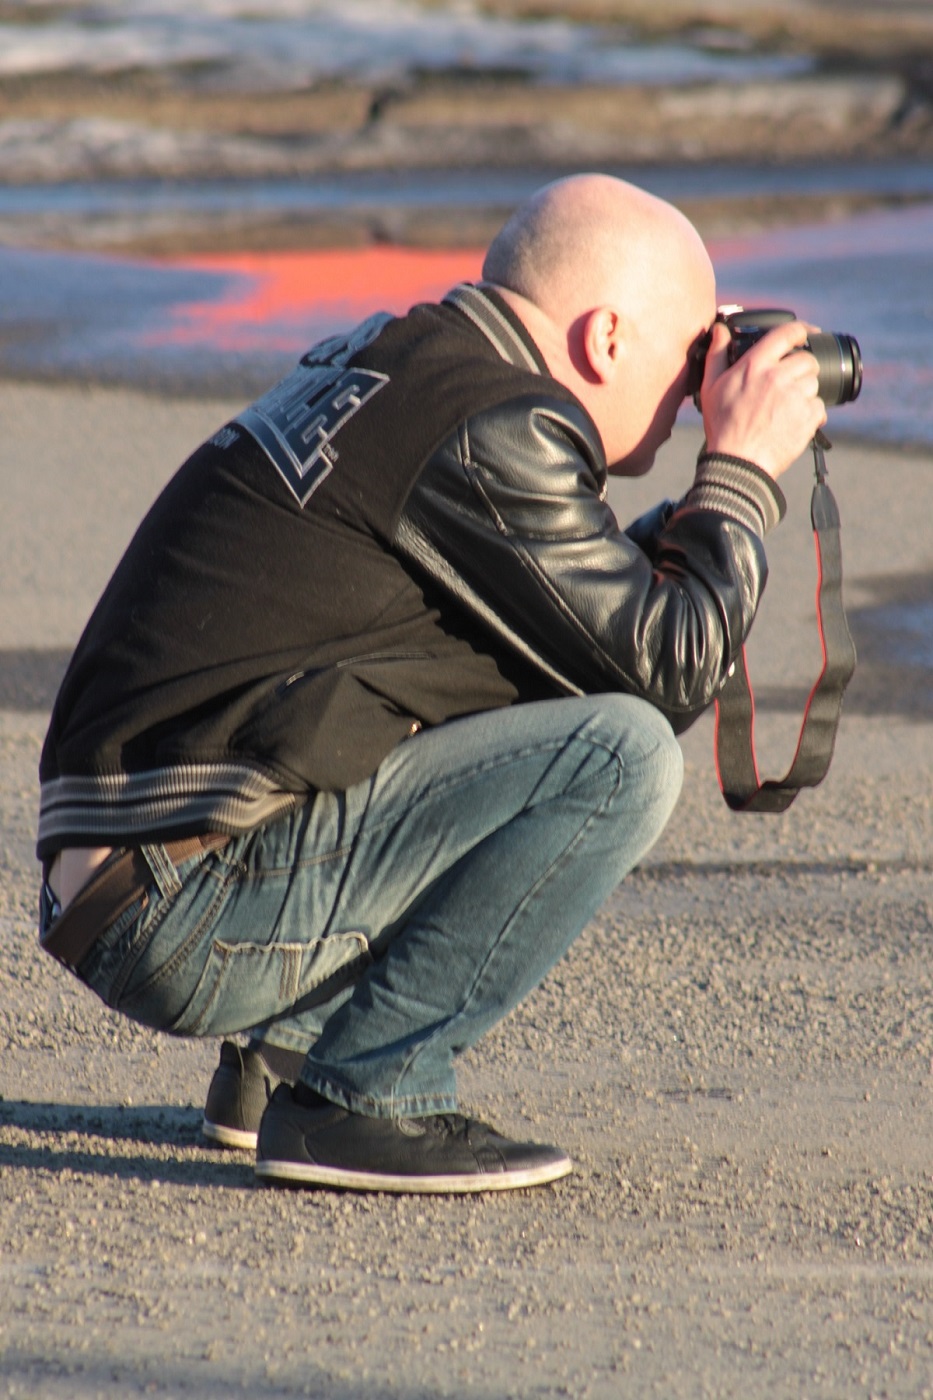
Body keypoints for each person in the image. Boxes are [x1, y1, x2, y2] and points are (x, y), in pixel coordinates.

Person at [36, 174, 826, 1195]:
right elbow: (670, 666)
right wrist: (741, 472)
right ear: (606, 339)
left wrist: (697, 508)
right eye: (689, 361)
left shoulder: (409, 366)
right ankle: (366, 1095)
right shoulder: (490, 425)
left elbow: (564, 620)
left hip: (128, 877)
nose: (693, 396)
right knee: (621, 754)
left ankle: (280, 1065)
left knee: (545, 685)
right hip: (181, 909)